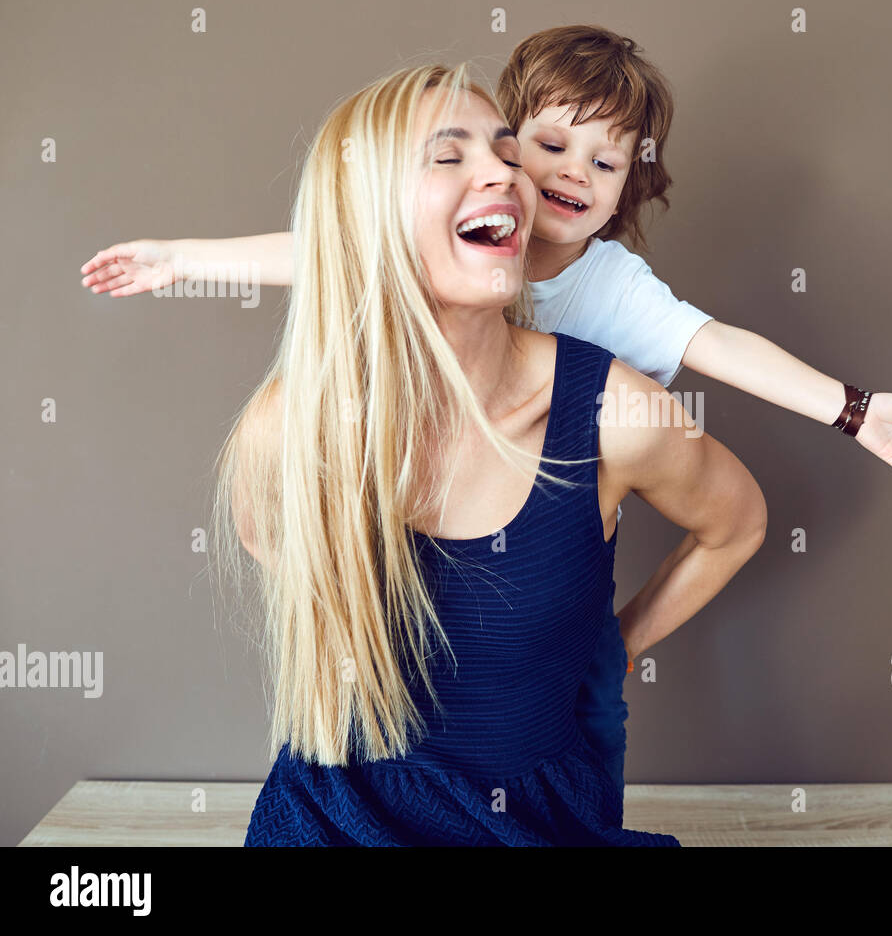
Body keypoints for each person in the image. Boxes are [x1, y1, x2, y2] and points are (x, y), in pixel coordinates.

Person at [80, 25, 892, 807]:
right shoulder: (353, 336)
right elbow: (322, 248)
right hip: (384, 743)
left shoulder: (609, 293)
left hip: (547, 642)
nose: (571, 172)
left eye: (606, 164)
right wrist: (179, 257)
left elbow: (720, 346)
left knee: (569, 732)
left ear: (626, 192)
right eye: (546, 144)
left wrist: (852, 410)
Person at [212, 61, 766, 845]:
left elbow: (736, 524)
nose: (504, 176)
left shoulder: (617, 413)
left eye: (509, 155)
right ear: (363, 216)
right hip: (331, 818)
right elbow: (264, 535)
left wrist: (610, 645)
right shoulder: (290, 424)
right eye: (450, 156)